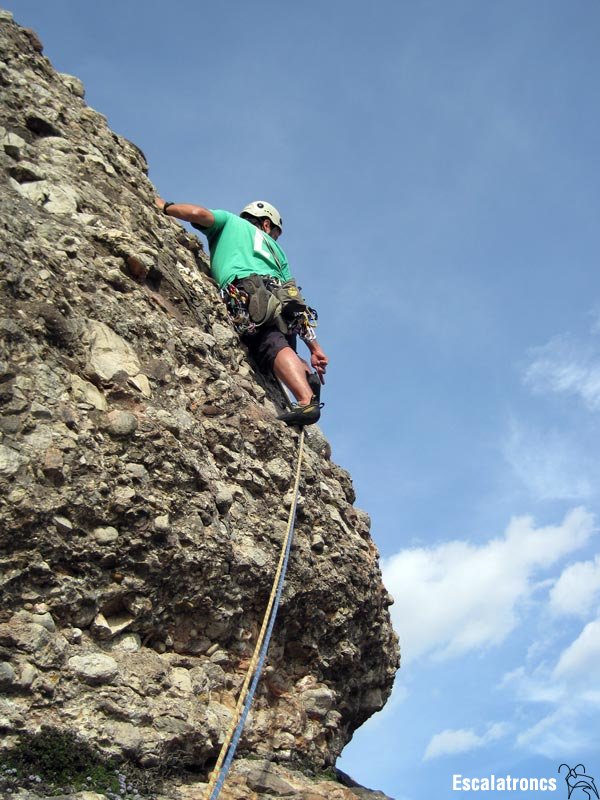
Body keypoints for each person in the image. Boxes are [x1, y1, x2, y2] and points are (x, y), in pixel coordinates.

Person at [155, 197, 328, 425]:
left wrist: (165, 207)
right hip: (282, 298)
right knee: (283, 345)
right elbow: (296, 299)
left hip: (248, 289)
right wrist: (314, 349)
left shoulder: (231, 222)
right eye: (275, 231)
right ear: (266, 224)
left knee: (268, 342)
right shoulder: (277, 251)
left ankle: (306, 401)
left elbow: (198, 213)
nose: (274, 236)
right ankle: (304, 373)